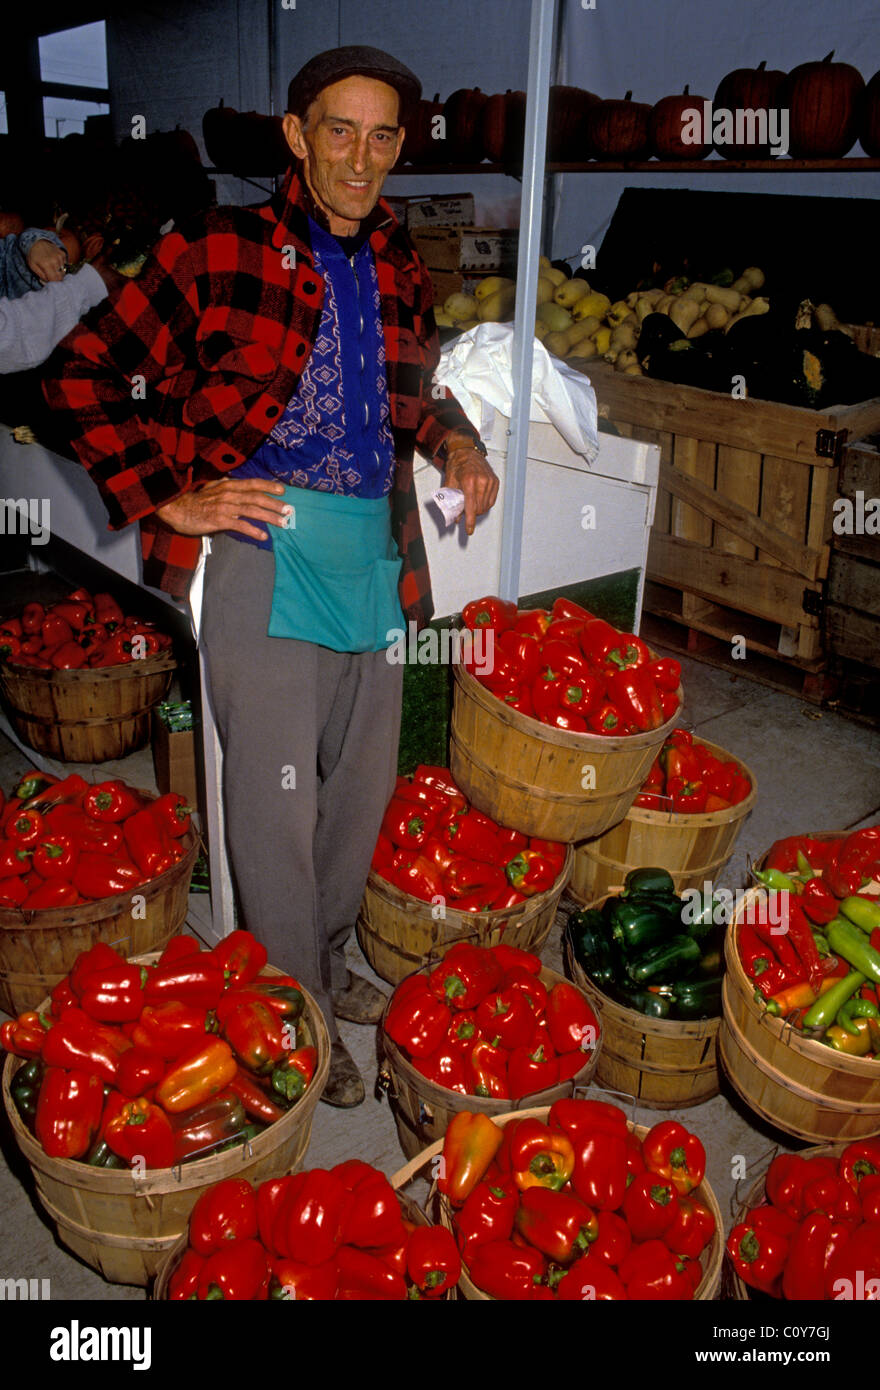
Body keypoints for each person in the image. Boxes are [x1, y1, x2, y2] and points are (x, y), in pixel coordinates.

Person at [44, 46, 498, 1106]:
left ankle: (322, 957)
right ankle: (291, 1004)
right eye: (338, 129)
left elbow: (417, 392)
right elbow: (81, 370)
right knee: (274, 801)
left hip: (371, 553)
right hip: (260, 547)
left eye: (382, 135)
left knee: (358, 795)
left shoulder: (397, 259)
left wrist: (458, 444)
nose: (361, 157)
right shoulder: (215, 247)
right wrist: (168, 493)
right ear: (296, 136)